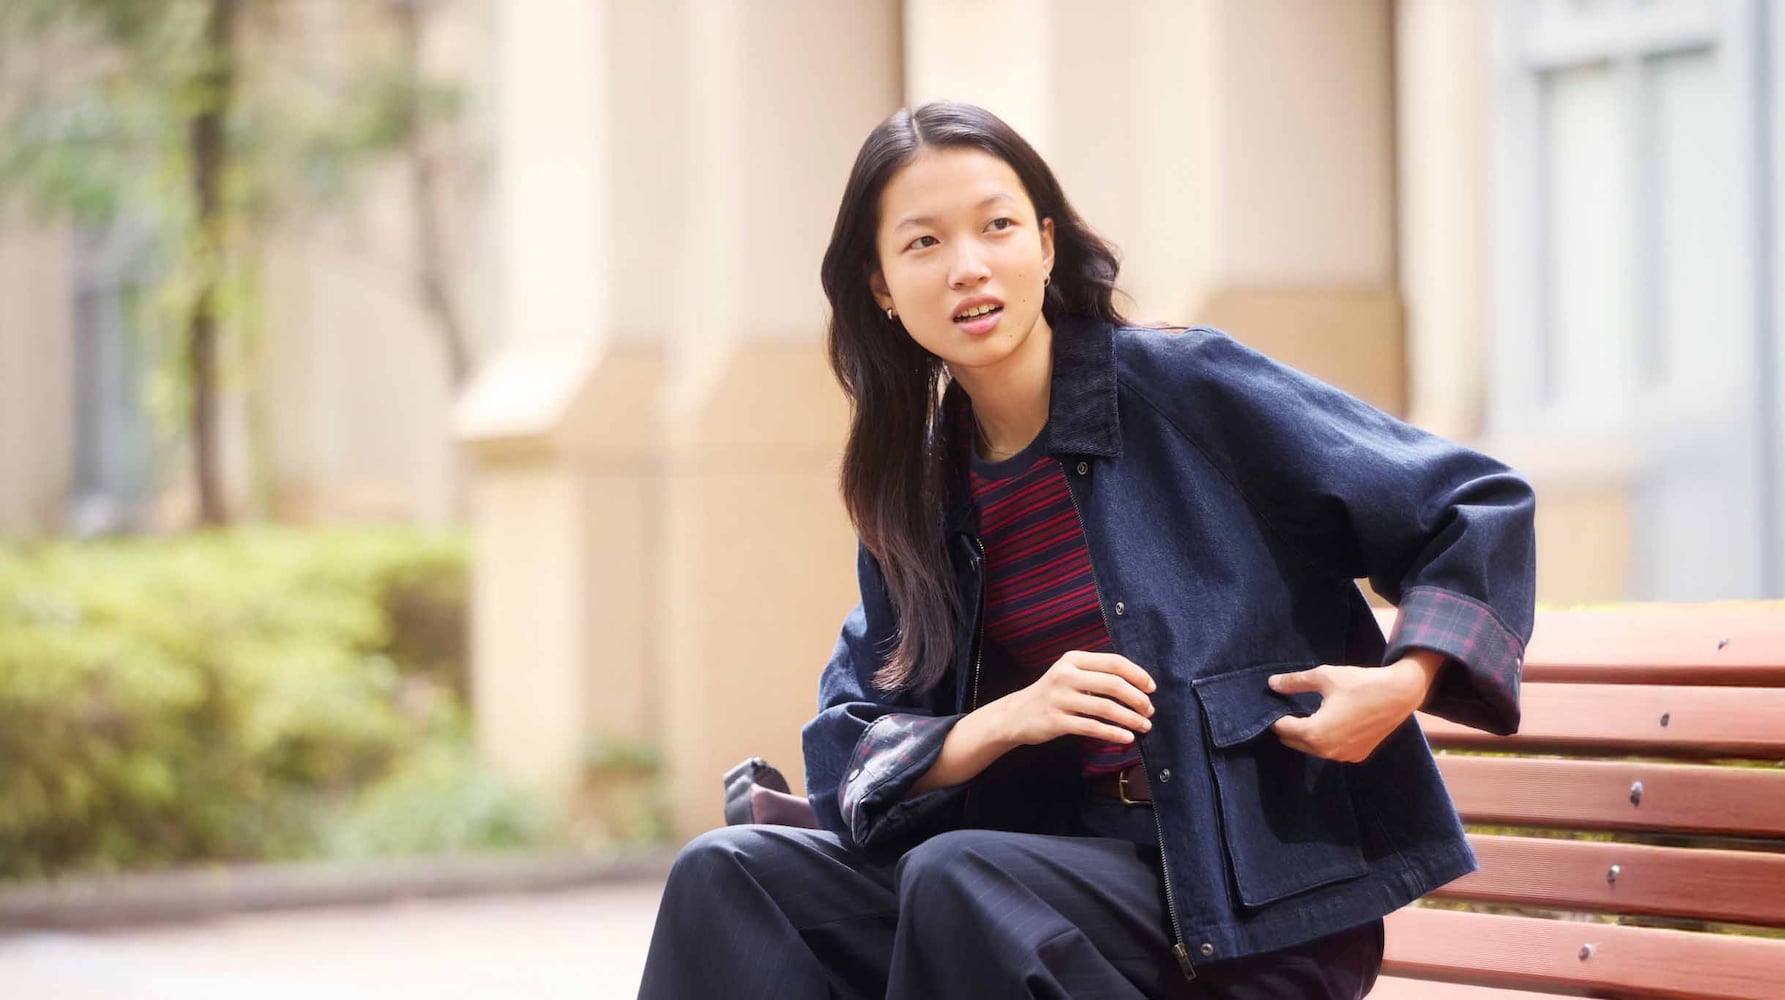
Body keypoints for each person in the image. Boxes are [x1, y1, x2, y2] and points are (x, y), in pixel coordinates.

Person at [637, 100, 1534, 1000]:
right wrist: (999, 722)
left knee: (956, 876)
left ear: (1047, 244)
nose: (969, 267)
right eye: (924, 244)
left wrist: (1404, 680)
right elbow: (846, 753)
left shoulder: (1186, 389)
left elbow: (1470, 502)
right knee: (729, 870)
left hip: (1250, 907)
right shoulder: (920, 487)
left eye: (997, 226)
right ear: (878, 283)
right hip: (1039, 873)